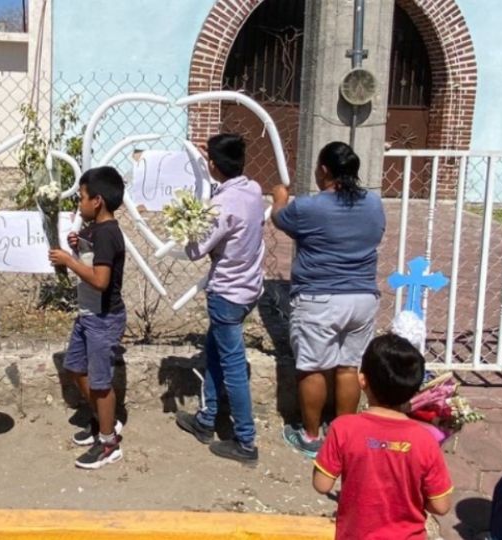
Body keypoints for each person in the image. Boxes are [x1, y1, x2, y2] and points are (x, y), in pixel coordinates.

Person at [270, 141, 386, 458]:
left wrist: (279, 199)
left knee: (312, 368)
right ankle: (344, 434)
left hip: (319, 298)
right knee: (349, 367)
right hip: (362, 298)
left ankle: (311, 436)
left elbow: (280, 219)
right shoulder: (373, 204)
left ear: (324, 170)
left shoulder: (310, 207)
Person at [173, 133, 265, 464]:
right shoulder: (253, 191)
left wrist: (187, 225)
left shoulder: (220, 206)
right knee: (213, 350)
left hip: (227, 292)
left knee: (232, 366)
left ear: (213, 164)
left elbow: (196, 250)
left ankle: (245, 440)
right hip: (249, 288)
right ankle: (206, 418)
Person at [313, 334, 453, 539]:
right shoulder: (425, 440)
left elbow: (322, 484)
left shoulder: (343, 428)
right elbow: (441, 506)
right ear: (415, 390)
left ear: (363, 380)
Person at [48, 166, 127, 469]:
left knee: (100, 381)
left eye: (81, 197)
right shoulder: (94, 230)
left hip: (104, 318)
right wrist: (77, 247)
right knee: (75, 367)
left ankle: (108, 443)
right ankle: (102, 421)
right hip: (88, 315)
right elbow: (92, 260)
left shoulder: (108, 234)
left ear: (97, 201)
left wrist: (68, 261)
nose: (78, 204)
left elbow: (100, 281)